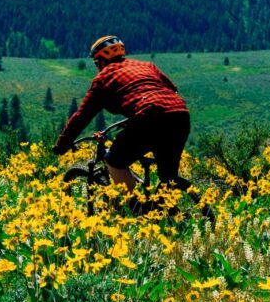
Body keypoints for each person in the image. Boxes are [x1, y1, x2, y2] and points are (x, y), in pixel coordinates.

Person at [52, 35, 191, 192]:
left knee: (114, 161)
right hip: (180, 115)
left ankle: (134, 209)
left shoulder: (103, 78)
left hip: (148, 118)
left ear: (101, 61)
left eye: (96, 63)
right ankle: (170, 212)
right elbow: (172, 89)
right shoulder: (147, 66)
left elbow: (81, 117)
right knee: (168, 176)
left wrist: (62, 145)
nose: (97, 67)